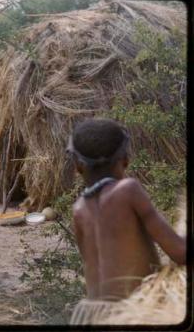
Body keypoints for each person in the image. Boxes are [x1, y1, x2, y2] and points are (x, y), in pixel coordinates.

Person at [67, 118, 186, 324]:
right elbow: (180, 252)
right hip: (134, 311)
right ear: (125, 158)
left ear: (77, 166)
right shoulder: (128, 190)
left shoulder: (78, 210)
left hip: (91, 316)